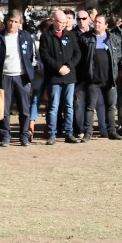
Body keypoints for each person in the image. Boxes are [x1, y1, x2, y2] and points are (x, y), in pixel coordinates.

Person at [0, 11, 37, 147]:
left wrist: (29, 73)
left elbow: (31, 56)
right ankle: (5, 136)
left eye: (16, 21)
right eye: (11, 21)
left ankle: (24, 135)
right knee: (4, 109)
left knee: (24, 109)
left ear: (20, 23)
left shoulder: (26, 36)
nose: (13, 24)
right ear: (6, 21)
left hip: (22, 77)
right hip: (4, 76)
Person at [39, 9, 83, 145]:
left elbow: (77, 54)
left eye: (65, 22)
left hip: (69, 76)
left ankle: (69, 133)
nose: (64, 24)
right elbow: (44, 56)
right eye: (61, 22)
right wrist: (58, 67)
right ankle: (52, 133)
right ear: (53, 21)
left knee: (69, 106)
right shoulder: (45, 36)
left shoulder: (70, 35)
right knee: (54, 106)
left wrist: (68, 66)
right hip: (54, 77)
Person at [79, 14, 122, 141]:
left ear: (106, 25)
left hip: (109, 79)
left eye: (99, 22)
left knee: (111, 107)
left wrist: (116, 71)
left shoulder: (114, 39)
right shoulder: (85, 38)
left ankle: (112, 132)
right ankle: (88, 133)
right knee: (90, 107)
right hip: (92, 80)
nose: (96, 24)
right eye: (95, 22)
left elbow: (120, 55)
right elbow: (81, 58)